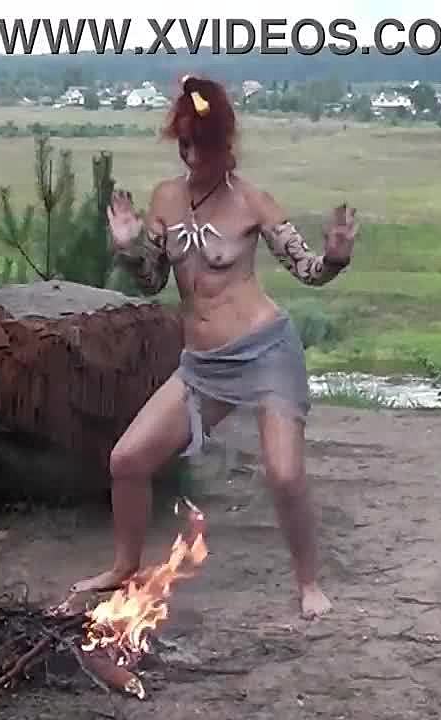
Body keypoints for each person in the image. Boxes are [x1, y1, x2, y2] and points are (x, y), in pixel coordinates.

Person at [69, 74, 358, 620]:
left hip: (265, 354)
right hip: (203, 365)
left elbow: (308, 270)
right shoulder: (166, 197)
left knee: (285, 474)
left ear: (226, 147)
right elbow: (153, 281)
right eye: (186, 145)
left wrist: (336, 257)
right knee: (127, 460)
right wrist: (128, 247)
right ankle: (124, 567)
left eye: (204, 146)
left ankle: (309, 582)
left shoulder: (252, 201)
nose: (194, 157)